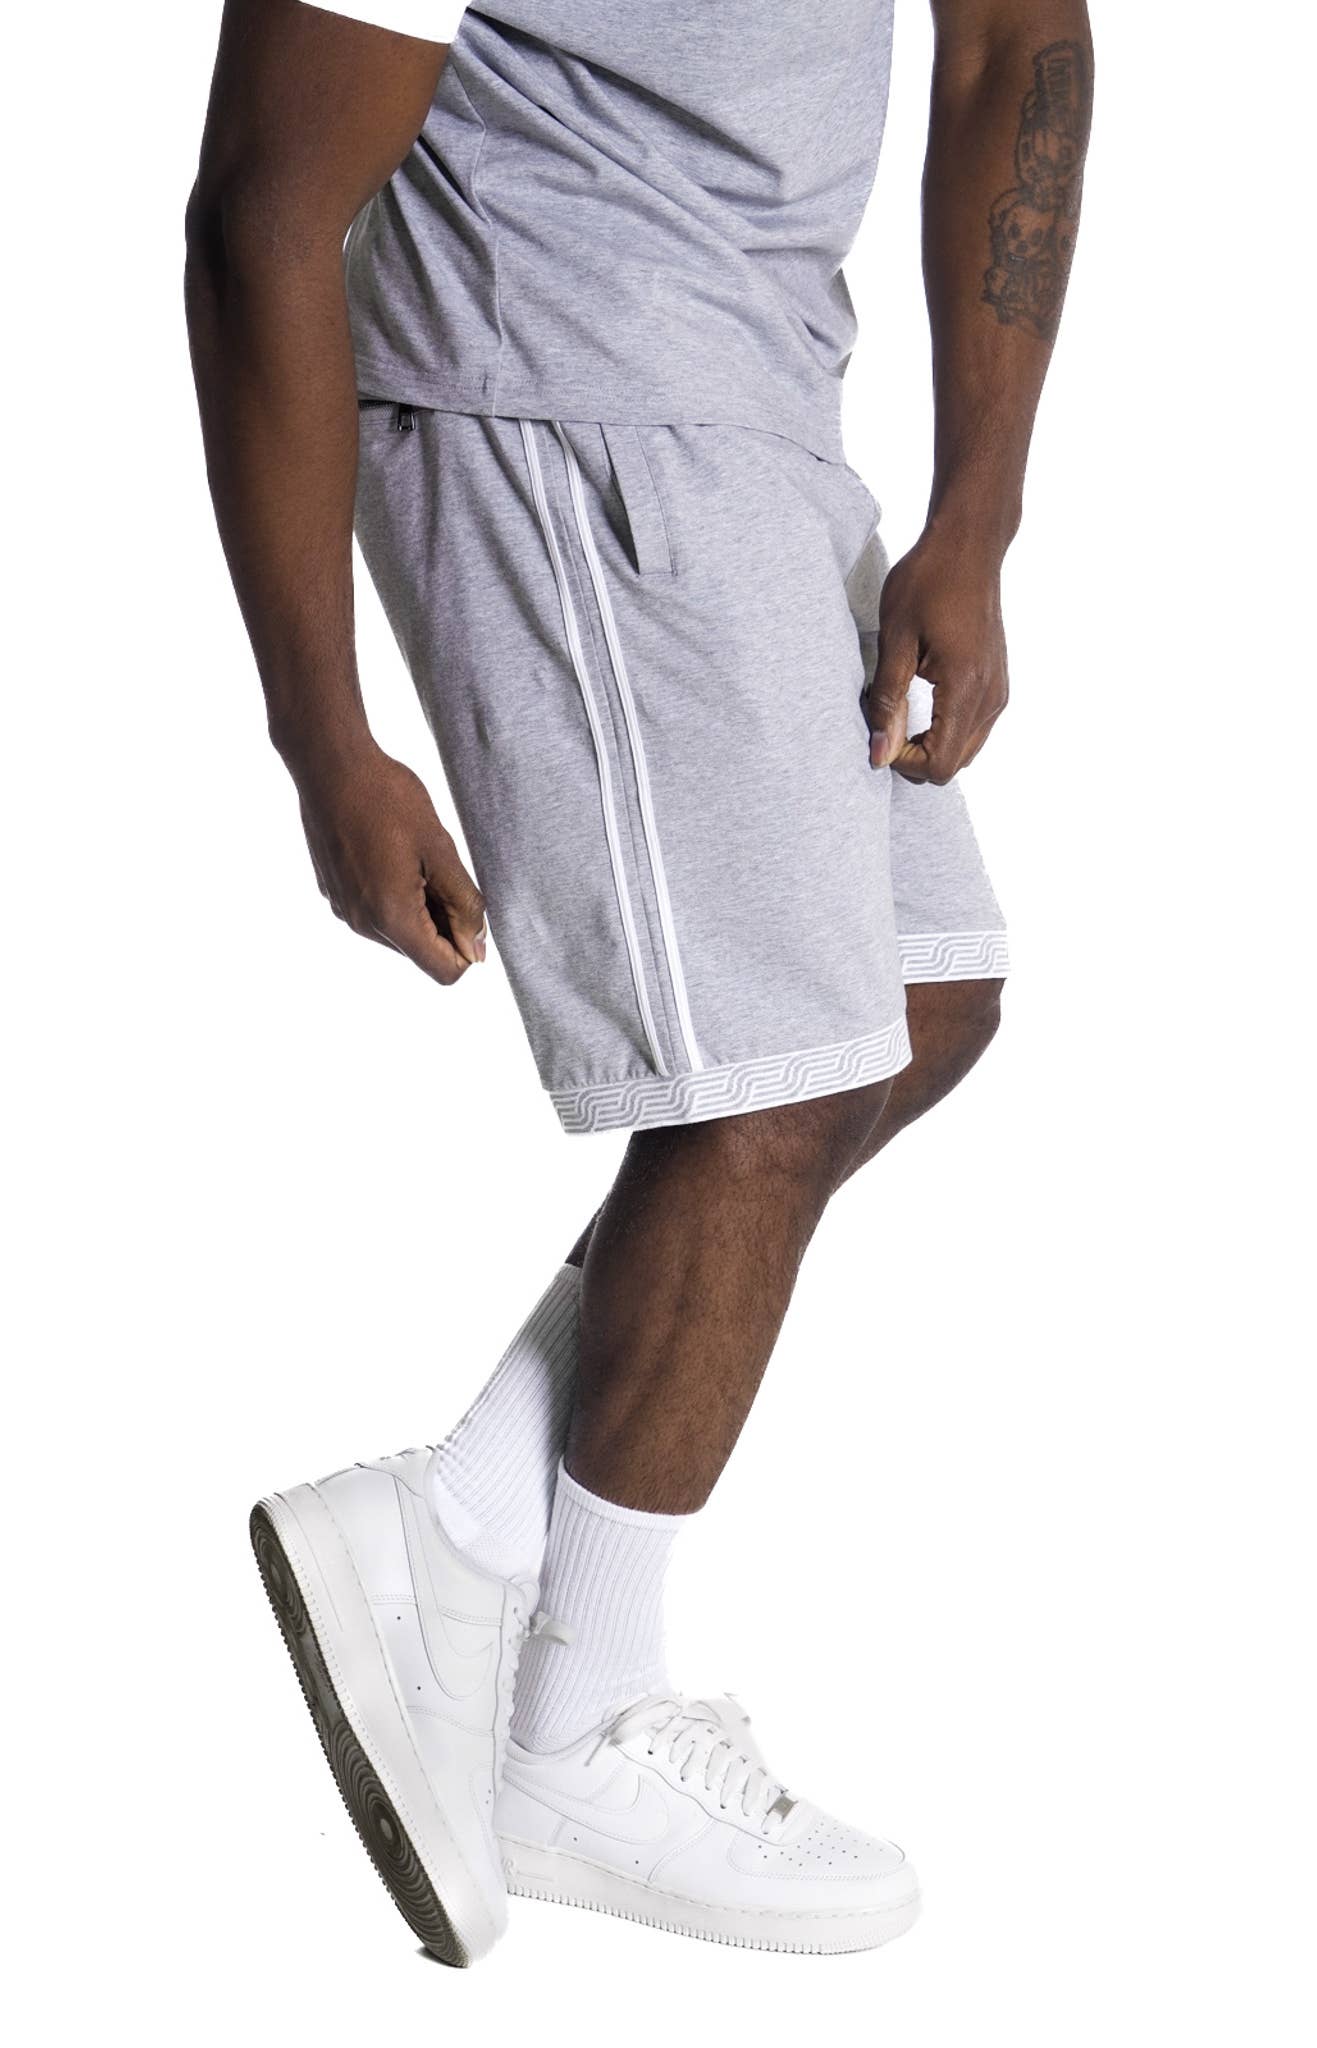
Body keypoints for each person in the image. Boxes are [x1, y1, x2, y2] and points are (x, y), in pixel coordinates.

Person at [185, 0, 1091, 1965]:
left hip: (764, 406)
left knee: (917, 1002)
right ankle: (571, 1724)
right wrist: (323, 734)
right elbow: (261, 209)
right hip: (556, 408)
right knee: (770, 1079)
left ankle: (458, 1525)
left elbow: (1014, 39)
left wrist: (976, 511)